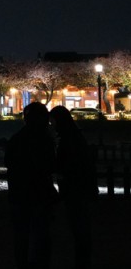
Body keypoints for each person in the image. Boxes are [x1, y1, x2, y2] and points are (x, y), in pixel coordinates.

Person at [5, 101, 57, 269]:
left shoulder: (17, 138)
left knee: (21, 234)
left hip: (19, 193)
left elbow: (10, 163)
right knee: (41, 233)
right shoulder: (45, 139)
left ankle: (22, 262)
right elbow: (49, 165)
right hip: (40, 192)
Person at [49, 105, 96, 267]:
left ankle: (82, 260)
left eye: (53, 121)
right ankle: (83, 259)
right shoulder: (74, 135)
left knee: (79, 225)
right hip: (79, 187)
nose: (51, 124)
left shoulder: (67, 139)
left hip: (74, 188)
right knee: (80, 226)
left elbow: (68, 163)